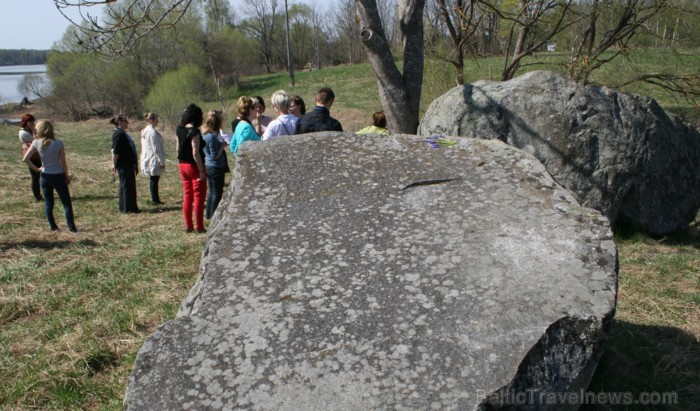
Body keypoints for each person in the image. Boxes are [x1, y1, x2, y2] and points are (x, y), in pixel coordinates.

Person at [22, 120, 77, 232]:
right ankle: (71, 228)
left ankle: (53, 227)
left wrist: (37, 169)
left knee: (49, 203)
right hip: (58, 175)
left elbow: (25, 159)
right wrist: (66, 176)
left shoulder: (36, 142)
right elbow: (63, 163)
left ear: (40, 130)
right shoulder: (58, 143)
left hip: (45, 176)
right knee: (66, 203)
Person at [176, 103, 207, 233]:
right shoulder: (194, 131)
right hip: (193, 166)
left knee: (188, 195)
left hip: (182, 165)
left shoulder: (179, 128)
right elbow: (195, 152)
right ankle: (199, 226)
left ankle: (188, 225)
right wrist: (201, 171)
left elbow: (177, 148)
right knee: (199, 197)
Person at [202, 110, 230, 220]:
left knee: (211, 192)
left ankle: (208, 214)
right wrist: (223, 146)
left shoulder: (205, 135)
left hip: (209, 165)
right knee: (217, 193)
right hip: (215, 166)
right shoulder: (211, 137)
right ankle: (214, 216)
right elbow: (214, 155)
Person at [111, 114, 139, 213]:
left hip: (128, 163)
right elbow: (115, 151)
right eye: (125, 121)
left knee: (127, 185)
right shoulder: (119, 134)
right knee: (127, 186)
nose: (127, 123)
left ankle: (125, 207)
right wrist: (113, 165)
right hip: (124, 164)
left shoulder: (122, 133)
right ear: (120, 122)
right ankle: (128, 208)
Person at [140, 112, 166, 205]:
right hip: (153, 159)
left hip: (149, 157)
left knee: (154, 179)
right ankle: (155, 199)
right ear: (152, 120)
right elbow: (156, 149)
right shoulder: (152, 133)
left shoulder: (145, 131)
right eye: (156, 120)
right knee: (154, 179)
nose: (157, 122)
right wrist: (161, 162)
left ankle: (155, 198)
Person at [18, 113, 42, 201]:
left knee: (39, 176)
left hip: (36, 155)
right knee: (35, 176)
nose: (33, 123)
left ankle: (40, 194)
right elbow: (37, 141)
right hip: (32, 157)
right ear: (27, 122)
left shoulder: (28, 130)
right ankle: (37, 196)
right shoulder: (23, 132)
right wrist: (33, 129)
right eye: (31, 121)